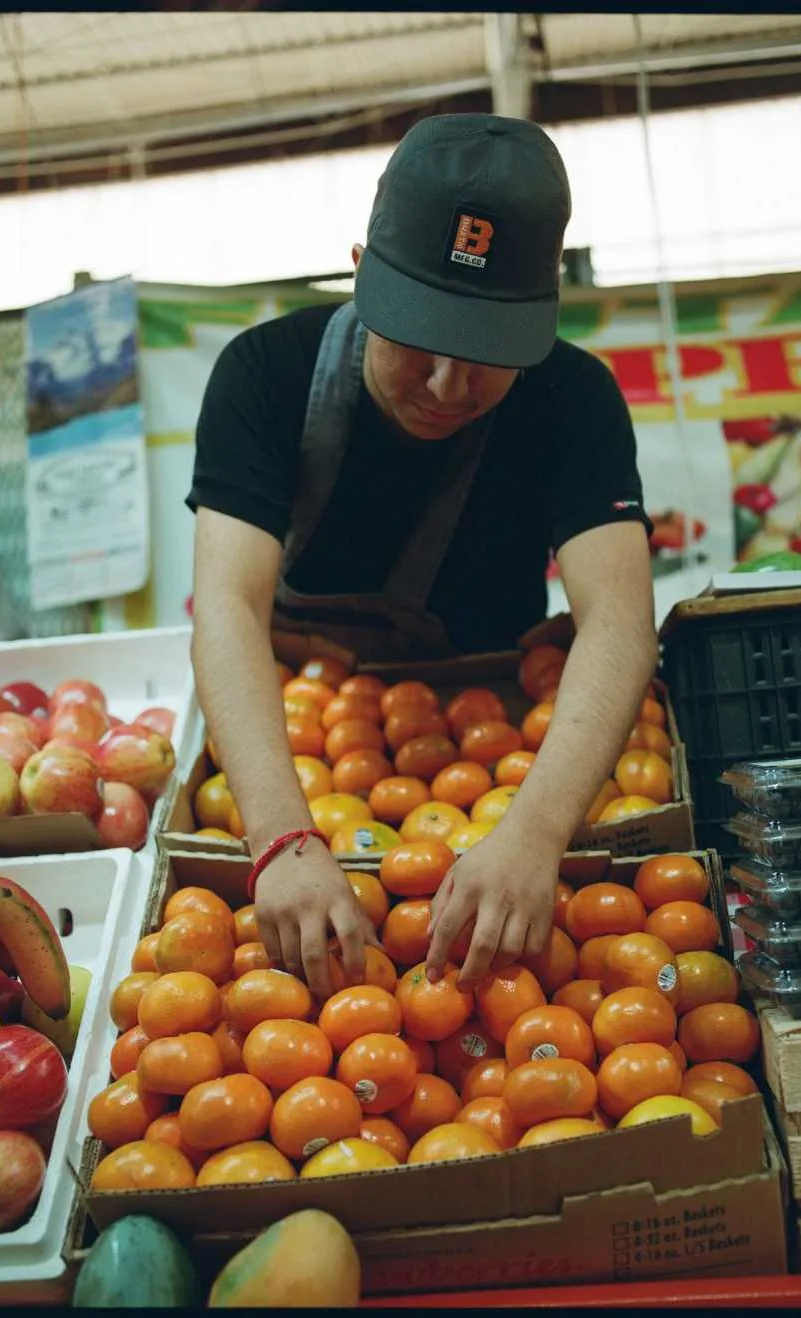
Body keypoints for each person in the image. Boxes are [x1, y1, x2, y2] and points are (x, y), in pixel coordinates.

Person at [187, 113, 658, 1000]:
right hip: (302, 726)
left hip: (502, 735)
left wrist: (533, 833)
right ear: (362, 271)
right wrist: (284, 839)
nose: (448, 389)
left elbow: (619, 622)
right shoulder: (263, 377)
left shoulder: (575, 399)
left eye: (486, 354)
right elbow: (227, 611)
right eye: (418, 341)